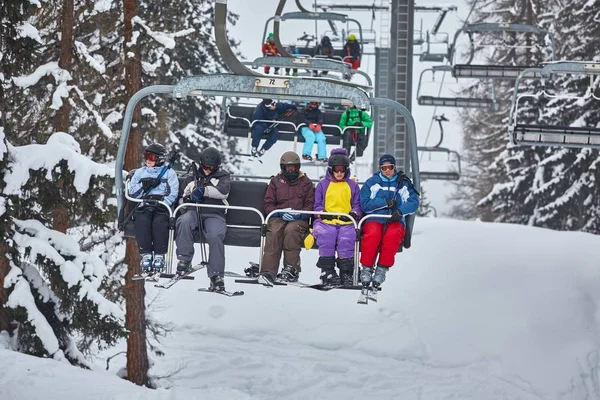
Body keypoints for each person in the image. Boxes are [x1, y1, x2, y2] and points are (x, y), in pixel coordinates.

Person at [359, 154, 420, 288]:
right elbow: (364, 203)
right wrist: (384, 202)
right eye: (384, 167)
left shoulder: (402, 183)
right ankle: (366, 268)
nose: (387, 170)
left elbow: (414, 202)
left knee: (393, 235)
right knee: (372, 234)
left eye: (390, 167)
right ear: (380, 168)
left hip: (394, 219)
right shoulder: (372, 183)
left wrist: (400, 210)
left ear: (394, 167)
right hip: (374, 218)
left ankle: (381, 270)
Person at [176, 147, 231, 291]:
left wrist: (204, 191)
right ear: (201, 164)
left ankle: (216, 275)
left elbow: (223, 192)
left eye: (211, 168)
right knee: (183, 221)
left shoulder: (222, 177)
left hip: (214, 213)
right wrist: (187, 199)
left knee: (216, 234)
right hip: (194, 211)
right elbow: (181, 200)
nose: (207, 170)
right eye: (205, 167)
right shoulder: (191, 177)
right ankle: (184, 259)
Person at [259, 151, 315, 285]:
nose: (290, 171)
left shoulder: (305, 183)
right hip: (279, 216)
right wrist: (279, 212)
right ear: (282, 168)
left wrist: (301, 214)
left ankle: (291, 269)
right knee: (274, 231)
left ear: (298, 167)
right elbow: (268, 204)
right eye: (287, 168)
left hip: (298, 219)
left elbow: (310, 204)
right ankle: (268, 271)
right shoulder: (275, 181)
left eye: (293, 168)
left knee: (291, 231)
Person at [312, 148, 361, 286]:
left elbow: (357, 204)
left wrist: (354, 213)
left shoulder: (353, 185)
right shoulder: (323, 185)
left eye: (342, 170)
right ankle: (327, 270)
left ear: (346, 170)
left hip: (347, 221)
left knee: (347, 238)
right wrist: (322, 213)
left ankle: (346, 272)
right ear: (331, 169)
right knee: (327, 235)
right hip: (326, 221)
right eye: (336, 170)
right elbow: (317, 205)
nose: (339, 173)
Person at [128, 143, 179, 273]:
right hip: (144, 204)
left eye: (151, 157)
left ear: (160, 159)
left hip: (162, 206)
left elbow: (173, 192)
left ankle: (159, 255)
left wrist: (163, 202)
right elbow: (132, 193)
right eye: (146, 156)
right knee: (142, 221)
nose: (148, 160)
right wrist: (144, 187)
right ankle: (146, 254)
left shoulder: (169, 173)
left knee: (159, 222)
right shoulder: (140, 173)